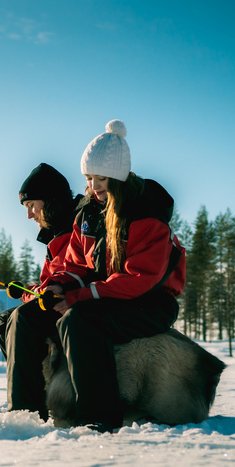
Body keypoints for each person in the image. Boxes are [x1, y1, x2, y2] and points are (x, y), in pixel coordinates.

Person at [44, 119, 186, 432]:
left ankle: (98, 418)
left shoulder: (146, 214)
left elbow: (140, 278)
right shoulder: (89, 213)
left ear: (118, 178)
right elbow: (77, 262)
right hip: (110, 297)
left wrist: (80, 296)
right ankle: (29, 411)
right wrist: (60, 285)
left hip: (150, 303)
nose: (93, 186)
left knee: (80, 320)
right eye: (88, 177)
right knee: (29, 316)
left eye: (101, 178)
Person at [0, 163, 82, 360]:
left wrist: (39, 294)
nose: (29, 215)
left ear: (51, 200)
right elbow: (47, 287)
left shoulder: (78, 229)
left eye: (31, 205)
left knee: (20, 319)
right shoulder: (56, 236)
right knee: (3, 322)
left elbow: (63, 283)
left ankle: (30, 390)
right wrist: (25, 291)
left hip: (75, 304)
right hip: (57, 302)